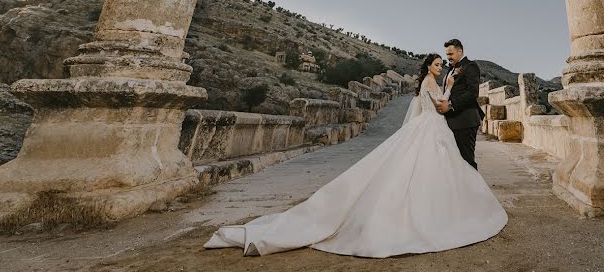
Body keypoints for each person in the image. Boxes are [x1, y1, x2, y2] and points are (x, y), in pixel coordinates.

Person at [203, 53, 507, 257]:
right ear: (429, 66)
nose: (441, 67)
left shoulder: (428, 81)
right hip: (431, 127)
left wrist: (447, 87)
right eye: (438, 64)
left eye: (443, 64)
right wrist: (450, 86)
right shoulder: (432, 82)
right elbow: (439, 104)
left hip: (431, 128)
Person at [434, 39, 485, 169]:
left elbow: (472, 93)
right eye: (447, 55)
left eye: (450, 54)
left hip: (465, 122)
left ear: (460, 51)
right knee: (454, 164)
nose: (448, 57)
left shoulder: (470, 66)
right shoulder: (450, 70)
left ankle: (474, 189)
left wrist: (450, 105)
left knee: (467, 163)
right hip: (451, 122)